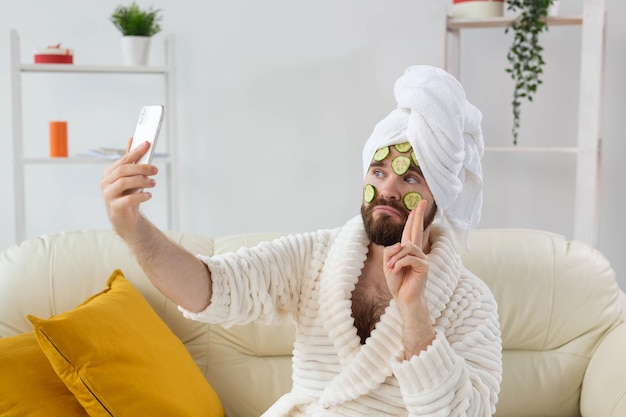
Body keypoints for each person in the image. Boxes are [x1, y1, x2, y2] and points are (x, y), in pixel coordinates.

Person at [101, 65, 502, 416]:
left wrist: (414, 312)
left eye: (410, 178)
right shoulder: (316, 256)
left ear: (440, 198)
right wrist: (134, 230)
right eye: (378, 172)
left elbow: (464, 414)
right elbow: (212, 287)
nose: (388, 190)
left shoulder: (471, 303)